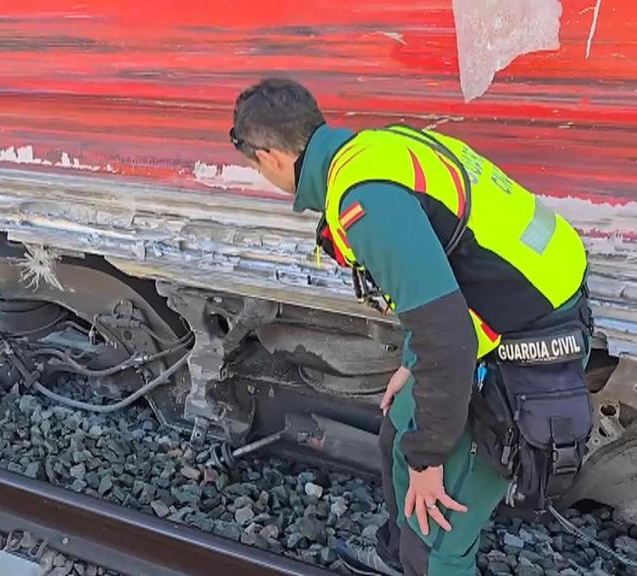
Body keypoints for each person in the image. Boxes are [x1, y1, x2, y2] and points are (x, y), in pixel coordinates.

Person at [228, 78, 592, 575]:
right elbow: (445, 285)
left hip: (529, 345)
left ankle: (421, 558)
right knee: (400, 426)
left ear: (267, 155)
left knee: (438, 539)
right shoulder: (375, 149)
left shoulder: (366, 202)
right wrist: (413, 364)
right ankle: (398, 557)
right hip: (504, 312)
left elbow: (448, 340)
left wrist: (428, 461)